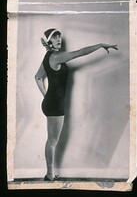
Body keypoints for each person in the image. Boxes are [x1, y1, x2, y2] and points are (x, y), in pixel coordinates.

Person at [35, 28, 118, 181]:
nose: (59, 39)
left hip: (51, 102)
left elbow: (38, 77)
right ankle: (50, 175)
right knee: (52, 141)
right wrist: (100, 45)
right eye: (55, 37)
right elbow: (80, 52)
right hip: (55, 105)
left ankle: (50, 173)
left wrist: (45, 96)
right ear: (49, 41)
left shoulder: (48, 57)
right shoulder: (57, 56)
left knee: (52, 140)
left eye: (59, 36)